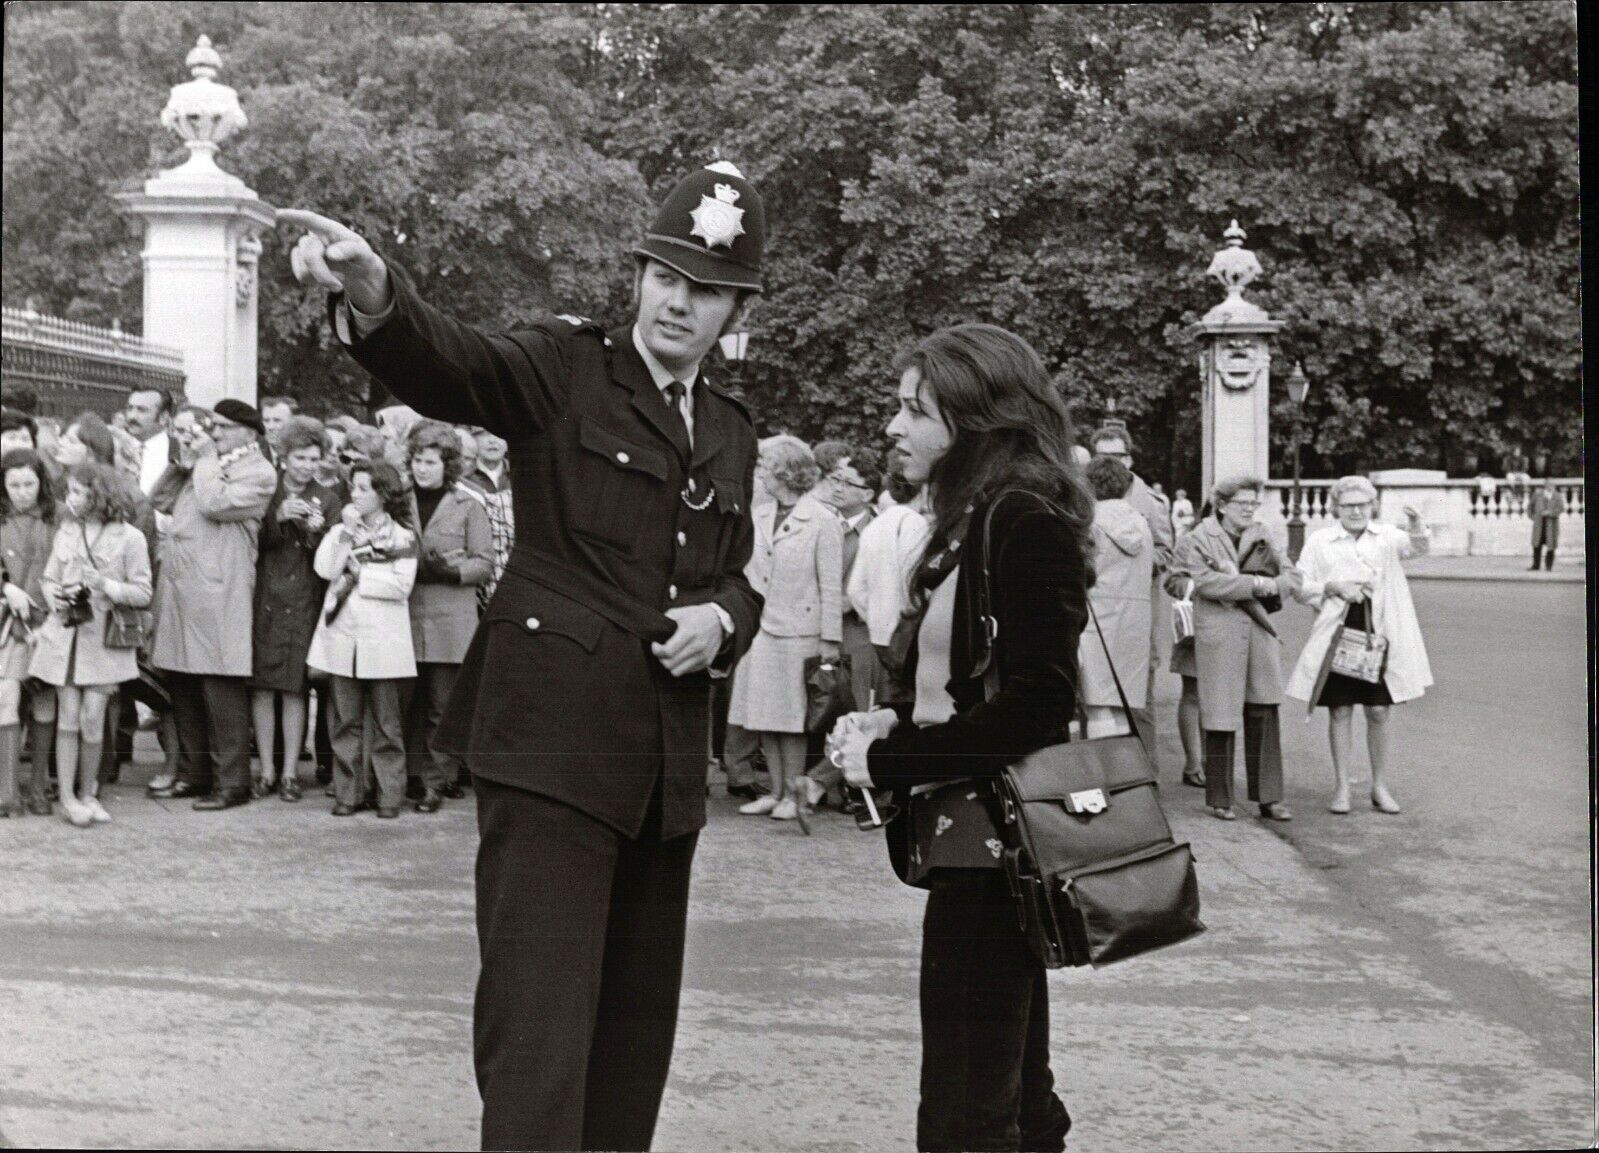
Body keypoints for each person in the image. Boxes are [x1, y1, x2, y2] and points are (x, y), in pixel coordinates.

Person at [279, 157, 764, 1151]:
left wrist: (724, 619)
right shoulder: (565, 366)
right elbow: (454, 362)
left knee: (632, 1054)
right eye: (667, 275)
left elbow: (736, 575)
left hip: (659, 774)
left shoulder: (728, 430)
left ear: (735, 309)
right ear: (639, 275)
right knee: (538, 1047)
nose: (679, 302)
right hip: (548, 752)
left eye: (706, 288)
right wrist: (375, 292)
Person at [829, 323, 1089, 1153]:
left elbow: (1039, 701)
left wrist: (891, 758)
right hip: (976, 842)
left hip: (995, 848)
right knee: (1007, 1082)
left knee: (968, 1100)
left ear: (974, 418)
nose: (892, 428)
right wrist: (895, 720)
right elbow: (964, 685)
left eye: (915, 410)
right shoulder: (977, 514)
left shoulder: (1017, 515)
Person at [146, 401, 278, 811]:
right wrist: (182, 460)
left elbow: (213, 504)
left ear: (248, 432)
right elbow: (160, 501)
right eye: (212, 426)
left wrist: (203, 460)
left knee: (220, 688)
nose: (213, 433)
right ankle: (194, 773)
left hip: (219, 591)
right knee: (183, 684)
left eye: (221, 427)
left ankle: (232, 782)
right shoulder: (206, 464)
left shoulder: (259, 472)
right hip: (184, 588)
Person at [1286, 475, 1432, 815]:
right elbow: (1300, 584)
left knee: (1379, 710)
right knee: (1340, 710)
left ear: (1373, 506)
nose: (1355, 511)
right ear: (1336, 507)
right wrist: (1332, 586)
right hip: (1339, 631)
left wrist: (1415, 524)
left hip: (1380, 632)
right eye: (1348, 505)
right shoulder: (1321, 540)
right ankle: (1341, 787)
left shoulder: (1387, 537)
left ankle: (1379, 786)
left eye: (1362, 505)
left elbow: (1418, 548)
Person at [1169, 474, 1301, 822]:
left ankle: (1270, 797)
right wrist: (1254, 583)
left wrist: (1274, 585)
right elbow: (1195, 580)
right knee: (1219, 715)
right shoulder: (1198, 537)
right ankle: (1220, 798)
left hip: (1259, 633)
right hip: (1219, 634)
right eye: (1242, 503)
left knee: (1264, 711)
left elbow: (1291, 579)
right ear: (1222, 505)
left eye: (1254, 504)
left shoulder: (1265, 535)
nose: (1249, 509)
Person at [28, 462, 152, 827]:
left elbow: (144, 592)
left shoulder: (131, 538)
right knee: (68, 716)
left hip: (104, 640)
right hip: (66, 636)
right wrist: (56, 597)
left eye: (80, 492)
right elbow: (49, 578)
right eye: (70, 491)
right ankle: (67, 796)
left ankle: (89, 792)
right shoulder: (66, 530)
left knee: (92, 717)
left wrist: (107, 586)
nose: (72, 498)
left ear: (99, 493)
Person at [726, 436, 842, 824]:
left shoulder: (823, 520)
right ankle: (774, 792)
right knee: (762, 715)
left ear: (785, 473)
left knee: (792, 720)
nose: (759, 474)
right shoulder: (758, 514)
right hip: (759, 626)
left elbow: (830, 583)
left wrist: (830, 637)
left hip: (800, 631)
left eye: (765, 468)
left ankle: (794, 795)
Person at [306, 459, 418, 818]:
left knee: (387, 724)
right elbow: (324, 568)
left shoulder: (402, 536)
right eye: (352, 487)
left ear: (382, 494)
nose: (354, 494)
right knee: (344, 721)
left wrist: (360, 575)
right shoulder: (341, 530)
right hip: (344, 636)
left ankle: (388, 795)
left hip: (383, 640)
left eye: (363, 489)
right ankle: (348, 793)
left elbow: (402, 585)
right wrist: (343, 534)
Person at [401, 419, 493, 812]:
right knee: (407, 704)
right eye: (418, 460)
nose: (423, 468)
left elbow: (484, 562)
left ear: (449, 465)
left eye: (432, 462)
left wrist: (451, 572)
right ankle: (406, 776)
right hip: (403, 617)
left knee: (442, 706)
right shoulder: (398, 500)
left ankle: (437, 782)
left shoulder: (469, 505)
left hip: (450, 619)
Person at [249, 416, 342, 802]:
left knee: (294, 687)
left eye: (313, 459)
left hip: (305, 598)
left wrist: (317, 531)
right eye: (299, 457)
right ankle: (266, 771)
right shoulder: (266, 490)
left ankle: (289, 773)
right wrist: (277, 519)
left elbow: (336, 552)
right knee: (261, 687)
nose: (306, 465)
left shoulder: (330, 497)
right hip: (264, 596)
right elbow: (247, 539)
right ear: (283, 457)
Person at [797, 440, 882, 813]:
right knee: (825, 708)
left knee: (858, 709)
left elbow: (882, 586)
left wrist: (847, 601)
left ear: (868, 493)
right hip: (828, 629)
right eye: (837, 480)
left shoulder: (876, 532)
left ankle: (834, 785)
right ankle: (827, 784)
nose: (839, 487)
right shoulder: (827, 523)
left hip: (863, 634)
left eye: (849, 483)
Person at [1088, 424, 1172, 764]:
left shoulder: (1151, 503)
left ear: (1130, 458)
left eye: (1117, 456)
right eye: (1103, 456)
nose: (1111, 462)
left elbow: (1167, 553)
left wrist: (1132, 566)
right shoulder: (1128, 513)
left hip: (1129, 612)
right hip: (1129, 612)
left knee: (1132, 703)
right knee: (1114, 703)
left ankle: (1141, 776)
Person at [844, 450, 929, 706]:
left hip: (878, 635)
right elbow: (914, 584)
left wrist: (875, 618)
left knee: (887, 700)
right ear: (922, 490)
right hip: (906, 634)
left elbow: (856, 590)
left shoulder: (875, 526)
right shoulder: (915, 524)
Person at [1080, 456, 1153, 737]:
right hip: (1134, 621)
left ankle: (1104, 775)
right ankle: (1122, 772)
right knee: (1122, 706)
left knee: (1096, 705)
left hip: (1096, 619)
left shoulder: (1089, 523)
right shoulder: (1141, 523)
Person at [1, 451, 57, 816]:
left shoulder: (62, 517)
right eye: (14, 485)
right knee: (6, 695)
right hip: (8, 623)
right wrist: (5, 588)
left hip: (51, 622)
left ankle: (39, 785)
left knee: (44, 699)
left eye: (29, 484)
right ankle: (7, 793)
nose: (22, 492)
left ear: (42, 483)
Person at [458, 425, 514, 609]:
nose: (492, 440)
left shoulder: (520, 474)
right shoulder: (465, 480)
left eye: (499, 434)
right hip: (480, 577)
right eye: (485, 434)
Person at [1528, 478, 1564, 571]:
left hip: (1551, 525)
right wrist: (1533, 517)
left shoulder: (1557, 496)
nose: (1550, 487)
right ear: (1545, 485)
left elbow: (1561, 509)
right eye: (1548, 485)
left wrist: (1550, 513)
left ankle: (1549, 566)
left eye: (1552, 485)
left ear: (1554, 486)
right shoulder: (1537, 494)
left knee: (1551, 546)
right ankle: (1536, 565)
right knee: (1536, 545)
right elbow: (1530, 506)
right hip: (1539, 524)